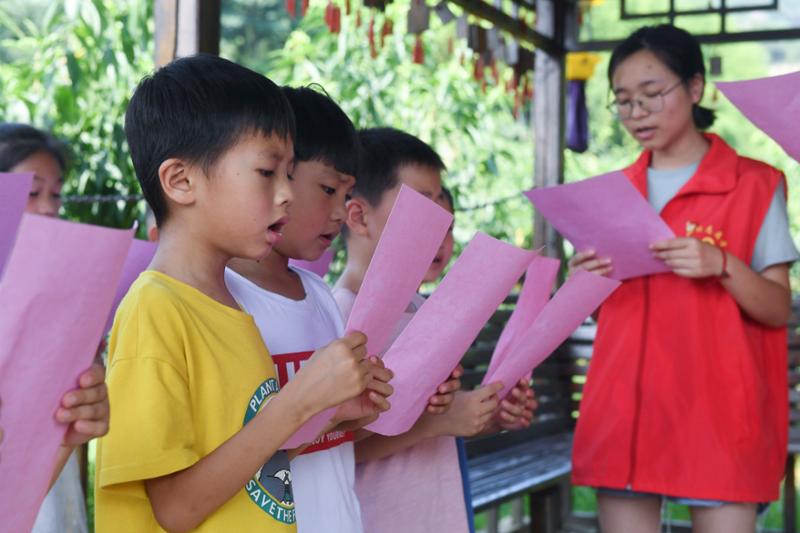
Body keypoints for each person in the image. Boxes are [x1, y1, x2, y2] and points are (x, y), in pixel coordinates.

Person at [94, 55, 373, 533]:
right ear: (181, 181)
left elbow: (248, 470)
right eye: (267, 172)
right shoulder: (154, 309)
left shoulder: (228, 306)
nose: (286, 194)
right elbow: (175, 508)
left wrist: (327, 415)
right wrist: (299, 402)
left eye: (289, 174)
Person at [569, 24, 798, 533]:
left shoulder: (755, 184)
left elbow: (778, 308)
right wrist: (584, 283)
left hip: (718, 418)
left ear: (695, 88)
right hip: (626, 416)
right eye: (623, 100)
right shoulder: (611, 195)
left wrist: (723, 265)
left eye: (652, 93)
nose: (637, 112)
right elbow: (606, 315)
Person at [334, 127, 536, 533]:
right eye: (423, 209)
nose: (440, 231)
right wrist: (437, 423)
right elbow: (330, 448)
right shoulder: (337, 317)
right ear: (358, 216)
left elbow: (437, 420)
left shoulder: (425, 310)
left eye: (446, 219)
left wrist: (490, 415)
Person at [225, 85, 394, 533]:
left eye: (346, 195)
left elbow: (335, 438)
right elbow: (236, 458)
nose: (339, 212)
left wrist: (360, 408)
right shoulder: (226, 299)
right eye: (328, 189)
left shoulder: (319, 294)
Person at [1, 122, 110, 533]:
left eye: (56, 193)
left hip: (48, 499)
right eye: (31, 193)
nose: (48, 207)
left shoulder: (64, 287)